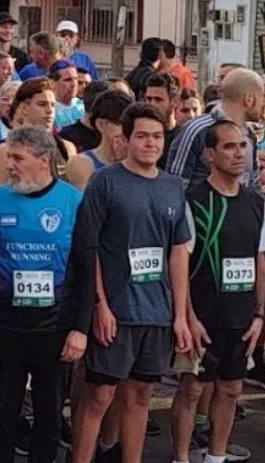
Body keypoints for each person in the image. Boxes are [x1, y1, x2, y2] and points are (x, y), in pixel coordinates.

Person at [69, 102, 191, 463]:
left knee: (140, 397)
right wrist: (100, 305)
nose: (150, 143)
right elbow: (88, 247)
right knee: (100, 397)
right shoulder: (105, 181)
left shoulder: (173, 186)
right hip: (117, 311)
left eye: (157, 137)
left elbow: (178, 253)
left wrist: (180, 315)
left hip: (156, 312)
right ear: (125, 139)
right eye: (142, 136)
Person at [0, 126, 83, 463]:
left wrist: (80, 327)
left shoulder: (73, 201)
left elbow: (86, 268)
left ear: (44, 159)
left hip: (54, 327)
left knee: (49, 416)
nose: (10, 165)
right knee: (1, 417)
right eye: (9, 158)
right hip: (5, 326)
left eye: (17, 158)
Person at [169, 121, 265, 463]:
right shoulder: (193, 201)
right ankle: (182, 457)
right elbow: (180, 261)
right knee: (192, 390)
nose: (238, 154)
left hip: (241, 319)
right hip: (202, 318)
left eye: (243, 146)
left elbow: (261, 261)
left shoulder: (255, 203)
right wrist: (187, 316)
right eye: (229, 147)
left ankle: (216, 456)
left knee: (230, 389)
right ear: (209, 155)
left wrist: (260, 315)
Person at [166, 68, 265, 193]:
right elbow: (176, 186)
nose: (264, 103)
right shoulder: (196, 131)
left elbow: (254, 187)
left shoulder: (250, 135)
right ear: (249, 99)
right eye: (262, 97)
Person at [65, 89, 133, 190]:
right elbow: (89, 203)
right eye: (120, 124)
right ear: (101, 125)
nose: (127, 130)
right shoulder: (82, 163)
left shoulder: (137, 160)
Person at [50, 59, 84, 129]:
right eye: (68, 80)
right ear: (53, 83)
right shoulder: (49, 110)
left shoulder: (83, 106)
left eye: (76, 79)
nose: (74, 84)